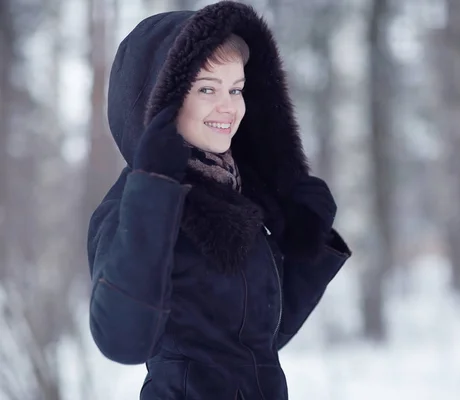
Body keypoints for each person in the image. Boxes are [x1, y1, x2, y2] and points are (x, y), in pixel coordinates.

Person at [86, 1, 352, 399]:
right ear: (162, 99)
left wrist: (308, 247)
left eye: (236, 89)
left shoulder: (238, 197)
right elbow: (123, 340)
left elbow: (256, 343)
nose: (229, 107)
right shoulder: (132, 203)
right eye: (207, 88)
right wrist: (155, 190)